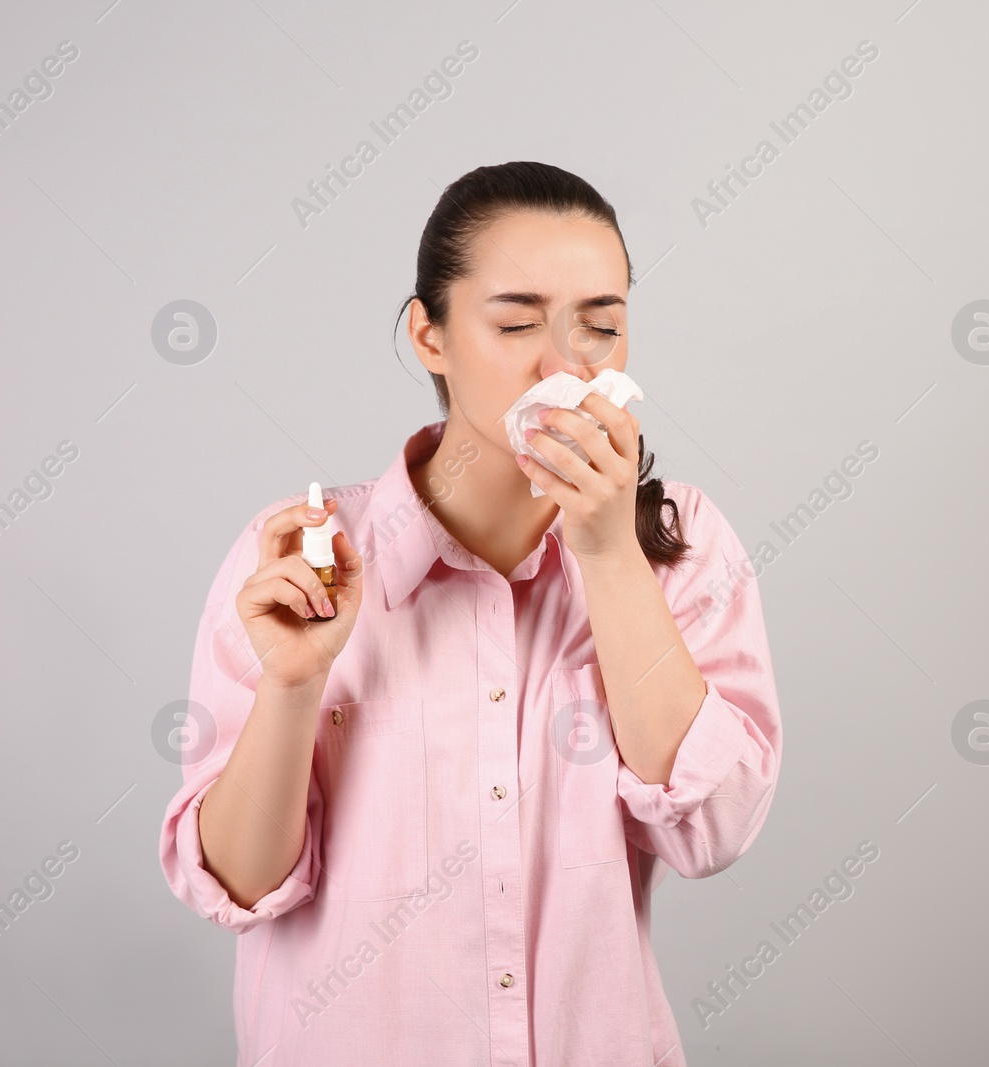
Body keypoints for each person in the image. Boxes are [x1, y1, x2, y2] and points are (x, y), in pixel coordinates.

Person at [158, 161, 783, 1066]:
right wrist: (294, 687)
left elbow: (714, 827)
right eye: (516, 321)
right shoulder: (305, 555)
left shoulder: (678, 546)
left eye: (601, 326)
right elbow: (237, 885)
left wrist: (606, 552)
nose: (567, 364)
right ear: (431, 335)